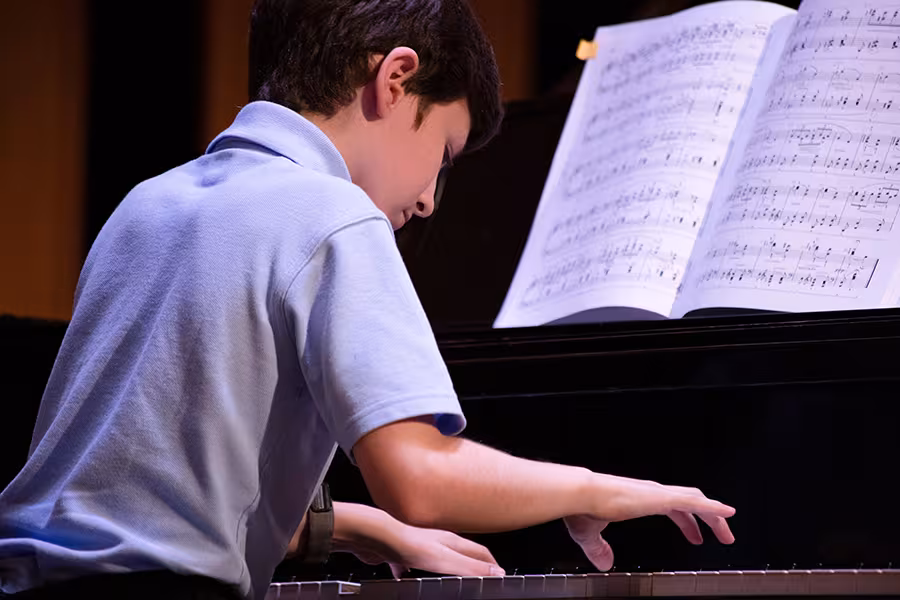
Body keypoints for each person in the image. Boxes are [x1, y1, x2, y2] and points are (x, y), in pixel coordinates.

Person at [0, 1, 736, 599]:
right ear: (396, 78)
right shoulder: (335, 214)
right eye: (442, 159)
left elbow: (145, 492)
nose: (427, 202)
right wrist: (593, 487)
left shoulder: (145, 205)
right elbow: (421, 478)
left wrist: (356, 527)